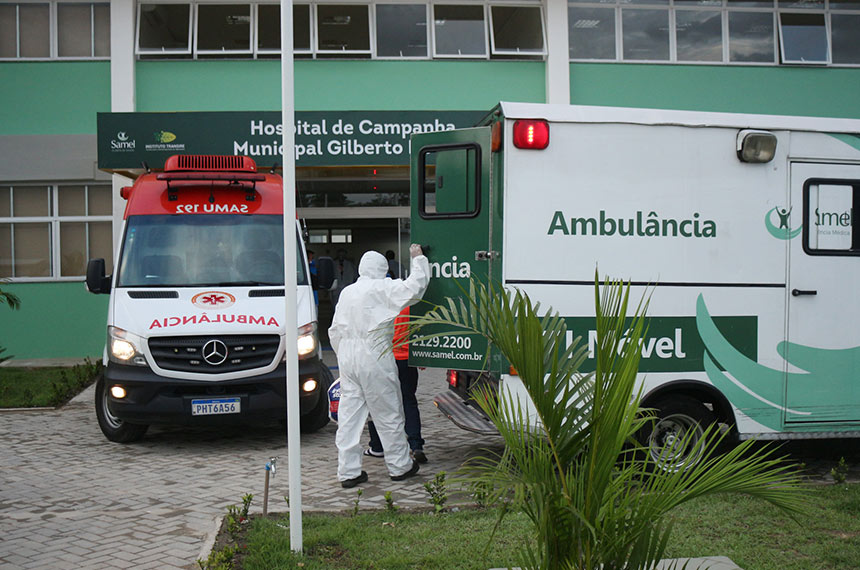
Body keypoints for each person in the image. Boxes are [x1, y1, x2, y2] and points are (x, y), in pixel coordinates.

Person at [328, 244, 430, 488]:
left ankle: (348, 471)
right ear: (383, 269)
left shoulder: (347, 292)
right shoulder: (383, 288)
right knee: (387, 412)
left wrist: (343, 355)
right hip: (374, 353)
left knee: (349, 417)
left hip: (348, 355)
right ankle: (400, 466)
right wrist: (419, 260)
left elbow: (333, 330)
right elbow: (415, 288)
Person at [365, 306, 426, 463]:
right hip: (407, 360)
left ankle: (378, 446)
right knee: (409, 401)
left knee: (379, 401)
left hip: (386, 360)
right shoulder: (410, 308)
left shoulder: (381, 306)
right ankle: (416, 444)